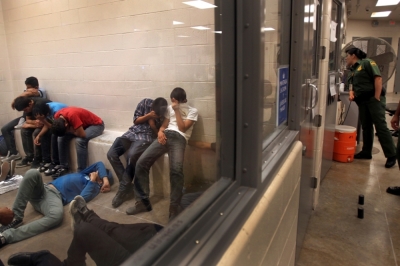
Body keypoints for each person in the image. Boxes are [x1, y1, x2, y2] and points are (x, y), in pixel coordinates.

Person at [0, 161, 113, 247]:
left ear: (100, 182)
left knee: (56, 215)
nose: (96, 172)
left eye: (101, 174)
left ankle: (7, 236)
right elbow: (99, 163)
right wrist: (105, 179)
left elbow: (81, 199)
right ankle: (15, 218)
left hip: (54, 198)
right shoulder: (85, 174)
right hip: (43, 188)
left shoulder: (93, 186)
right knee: (32, 173)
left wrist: (95, 182)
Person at [127, 87, 198, 220]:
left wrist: (177, 110)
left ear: (184, 100)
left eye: (176, 101)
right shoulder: (170, 109)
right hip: (165, 136)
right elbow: (164, 125)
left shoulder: (193, 111)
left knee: (176, 170)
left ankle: (174, 207)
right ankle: (142, 202)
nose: (174, 104)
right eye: (173, 101)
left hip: (180, 139)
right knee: (141, 162)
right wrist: (160, 132)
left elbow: (183, 128)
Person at [108, 98, 168, 208]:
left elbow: (157, 135)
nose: (156, 114)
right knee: (111, 154)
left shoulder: (164, 114)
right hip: (131, 133)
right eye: (154, 112)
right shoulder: (145, 102)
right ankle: (126, 186)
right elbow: (135, 120)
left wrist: (153, 125)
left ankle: (122, 191)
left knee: (132, 156)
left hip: (145, 138)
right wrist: (148, 116)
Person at [346, 47, 397, 168]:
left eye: (347, 55)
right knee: (366, 126)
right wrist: (351, 92)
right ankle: (366, 152)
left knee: (380, 126)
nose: (346, 58)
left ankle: (392, 154)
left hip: (373, 99)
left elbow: (378, 78)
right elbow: (351, 84)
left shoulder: (367, 62)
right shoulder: (352, 69)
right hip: (362, 101)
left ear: (353, 55)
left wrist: (377, 98)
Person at [1, 77, 47, 163]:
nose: (27, 90)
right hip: (27, 116)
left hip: (38, 116)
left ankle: (38, 159)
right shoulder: (26, 95)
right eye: (26, 88)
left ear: (36, 86)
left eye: (29, 87)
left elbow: (33, 92)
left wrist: (15, 100)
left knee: (34, 131)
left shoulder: (40, 92)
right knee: (5, 128)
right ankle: (14, 153)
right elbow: (28, 118)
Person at [51, 107, 104, 178]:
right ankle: (64, 167)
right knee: (61, 138)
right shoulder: (57, 116)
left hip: (96, 125)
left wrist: (71, 131)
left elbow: (82, 134)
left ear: (66, 124)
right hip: (81, 126)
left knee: (80, 140)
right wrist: (70, 131)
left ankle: (82, 171)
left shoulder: (72, 116)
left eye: (66, 130)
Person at [12, 97, 51, 168]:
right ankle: (30, 157)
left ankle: (38, 158)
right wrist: (31, 124)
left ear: (30, 104)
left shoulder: (39, 104)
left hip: (47, 123)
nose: (26, 111)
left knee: (36, 133)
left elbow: (42, 123)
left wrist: (30, 124)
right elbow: (28, 120)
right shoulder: (27, 105)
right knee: (24, 130)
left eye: (25, 110)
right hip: (39, 123)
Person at [31, 101, 68, 172]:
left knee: (54, 135)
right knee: (41, 134)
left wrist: (43, 120)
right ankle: (46, 160)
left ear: (46, 113)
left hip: (64, 125)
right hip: (56, 125)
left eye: (41, 117)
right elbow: (47, 126)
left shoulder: (56, 111)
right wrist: (39, 136)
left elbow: (56, 128)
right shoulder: (43, 108)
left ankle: (56, 162)